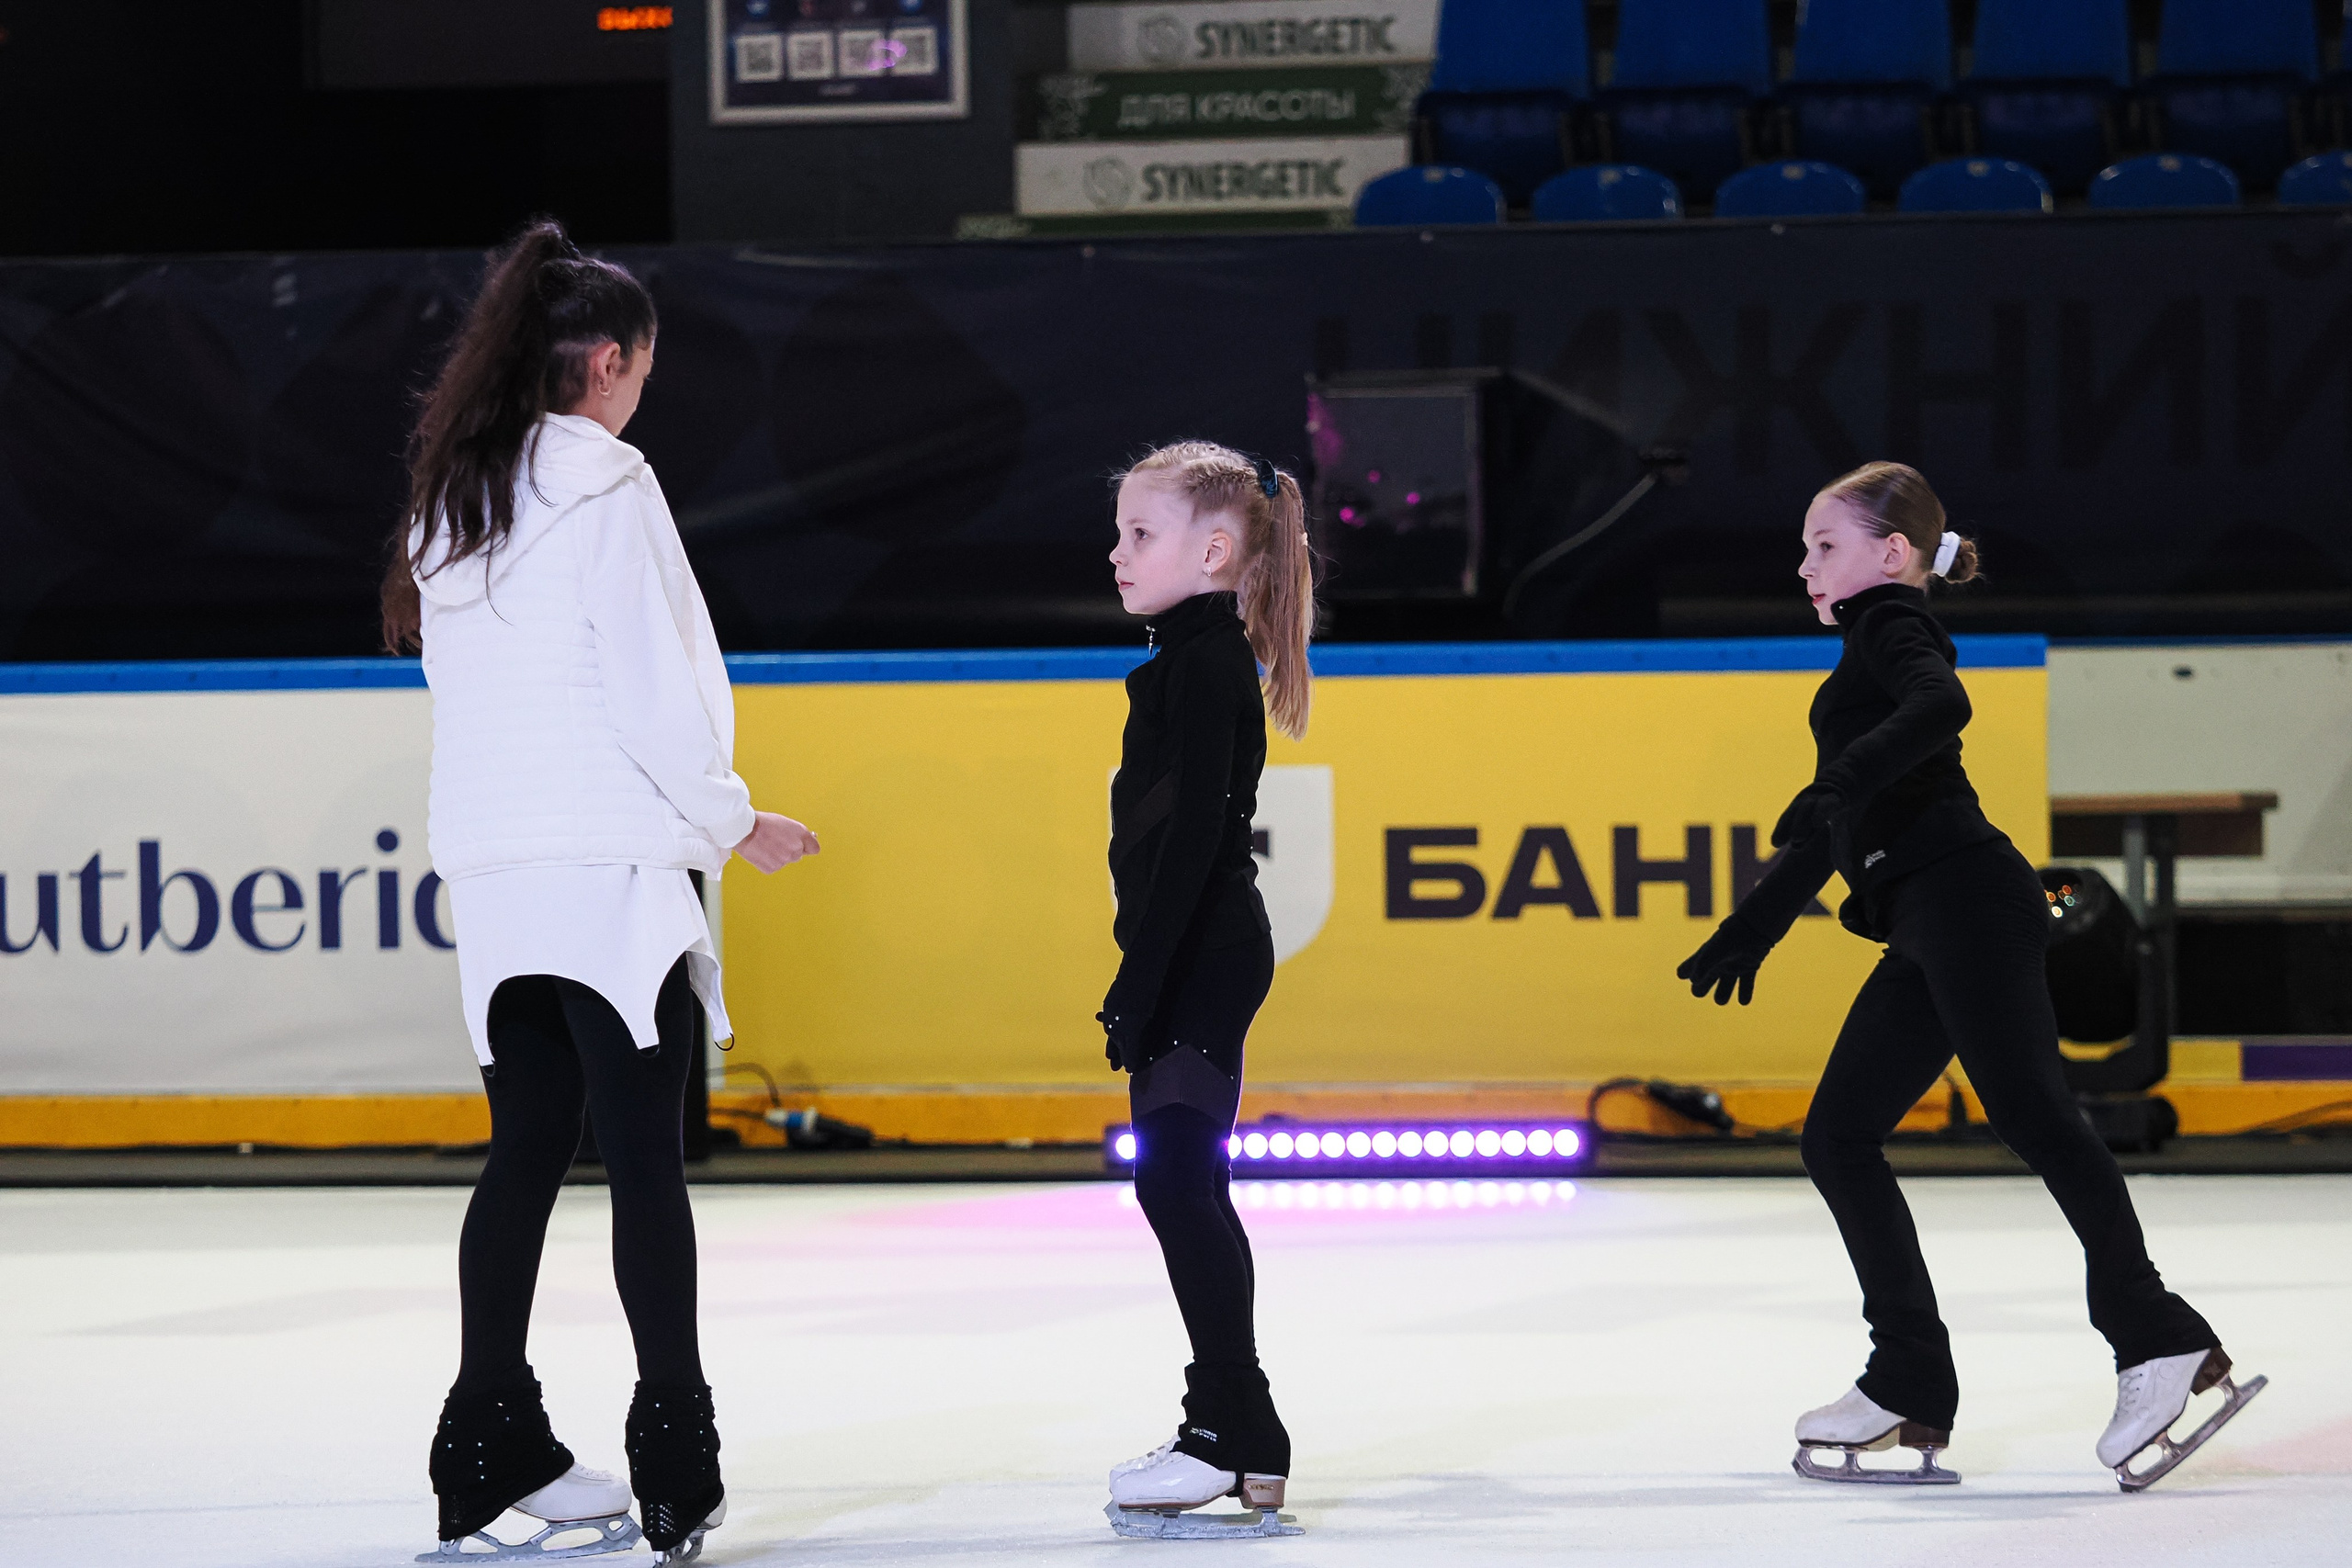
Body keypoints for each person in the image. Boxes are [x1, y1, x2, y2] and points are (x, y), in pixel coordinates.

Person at [1676, 461, 2263, 1492]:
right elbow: (1834, 825)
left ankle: (2155, 1335)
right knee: (1837, 1138)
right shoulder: (1865, 647)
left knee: (2034, 1116)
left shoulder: (1891, 626)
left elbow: (1941, 707)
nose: (1803, 564)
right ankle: (1906, 1376)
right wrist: (1754, 923)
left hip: (1967, 904)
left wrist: (1839, 783)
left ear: (1889, 555)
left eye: (1823, 545)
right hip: (1926, 917)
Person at [385, 219, 819, 1562]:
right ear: (615, 361)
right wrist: (732, 819)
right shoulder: (604, 483)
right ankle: (674, 1458)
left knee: (523, 1153)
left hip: (503, 877)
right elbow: (653, 689)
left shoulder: (457, 497)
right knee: (642, 1167)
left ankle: (486, 1439)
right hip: (609, 874)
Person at [1096, 441, 1315, 1537]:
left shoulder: (1205, 664)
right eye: (1122, 531)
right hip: (1194, 949)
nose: (1116, 552)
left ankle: (1230, 1431)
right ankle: (1237, 1430)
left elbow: (1186, 843)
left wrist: (1141, 980)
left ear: (1215, 549)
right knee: (1177, 1184)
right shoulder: (1190, 659)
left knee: (1179, 1184)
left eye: (1142, 533)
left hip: (1202, 950)